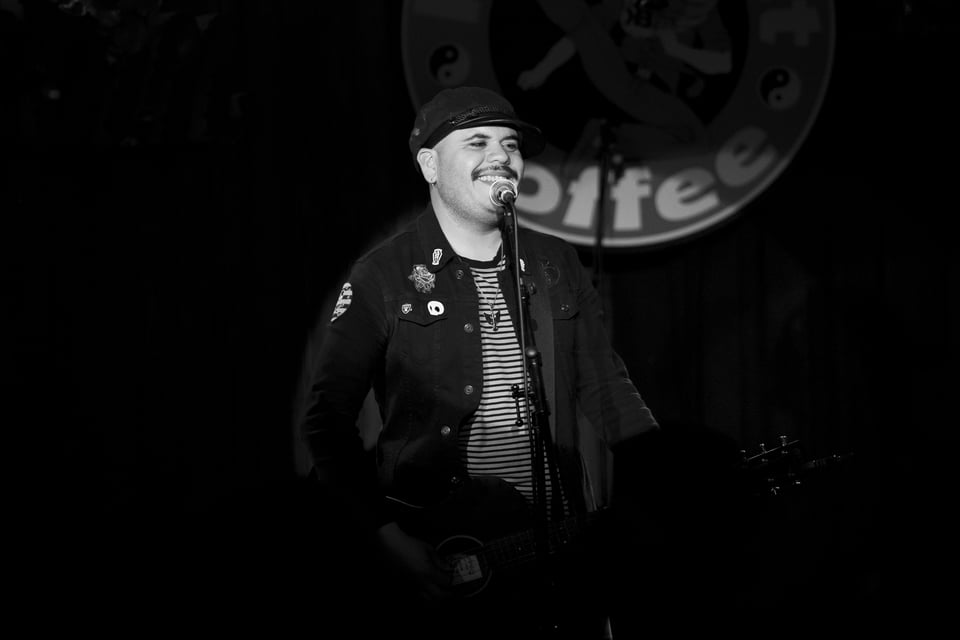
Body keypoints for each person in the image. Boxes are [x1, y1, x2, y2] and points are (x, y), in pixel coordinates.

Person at [298, 85, 660, 638]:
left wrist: (666, 475)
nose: (501, 156)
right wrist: (387, 537)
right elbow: (327, 423)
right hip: (449, 555)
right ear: (429, 165)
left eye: (510, 144)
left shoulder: (554, 262)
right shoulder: (384, 275)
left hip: (559, 545)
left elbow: (607, 388)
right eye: (477, 142)